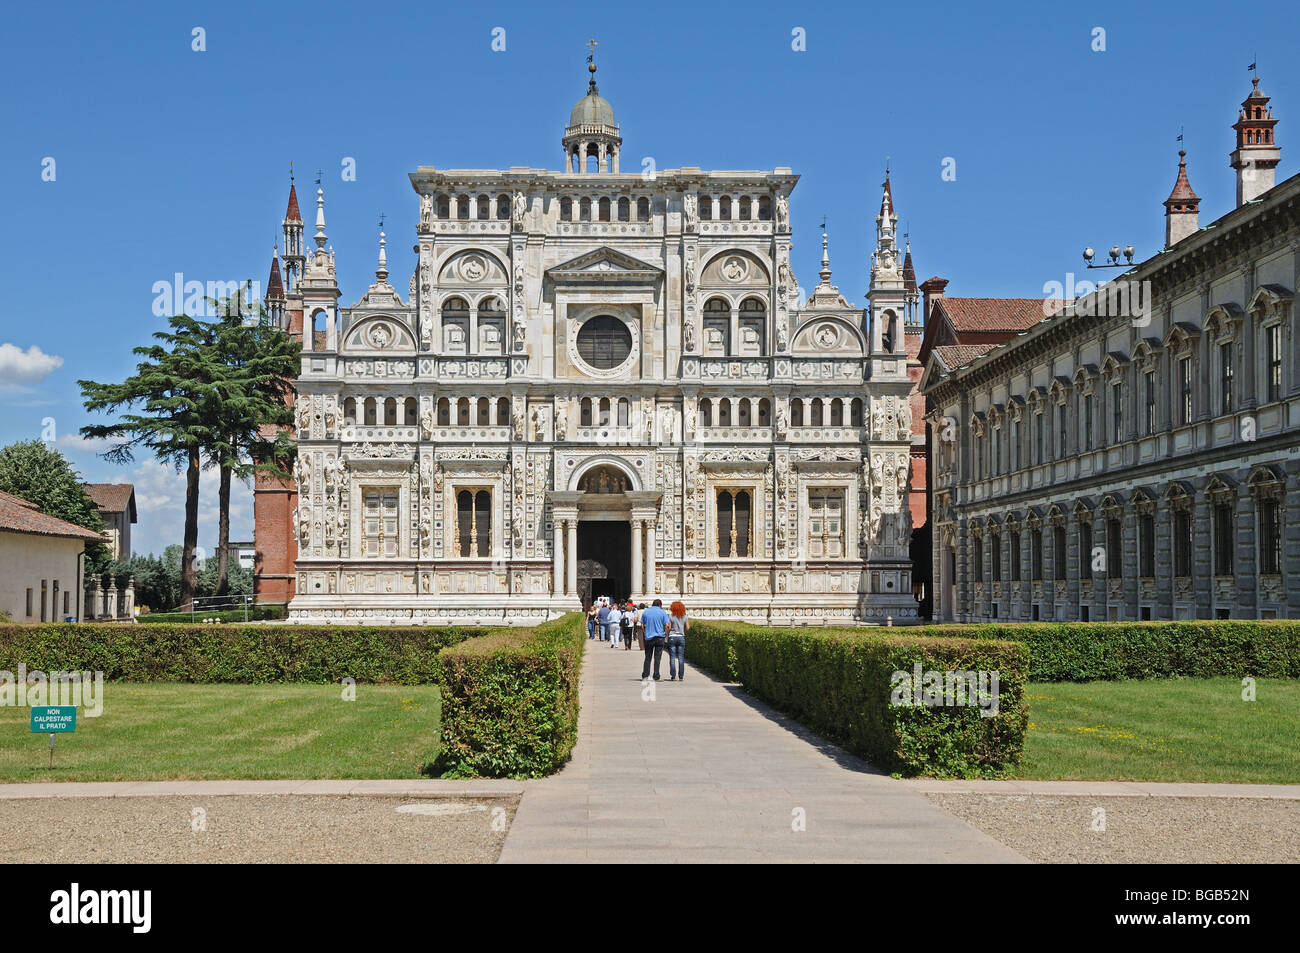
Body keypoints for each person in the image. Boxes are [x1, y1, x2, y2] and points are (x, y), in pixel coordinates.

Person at [640, 598, 670, 681]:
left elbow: (642, 625)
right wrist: (665, 634)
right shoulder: (662, 612)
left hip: (649, 637)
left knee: (647, 657)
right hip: (659, 637)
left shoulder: (646, 612)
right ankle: (656, 676)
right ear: (660, 605)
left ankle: (645, 676)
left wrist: (645, 633)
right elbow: (667, 625)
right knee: (657, 658)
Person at [666, 600, 689, 681]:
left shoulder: (671, 616)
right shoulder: (685, 616)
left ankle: (673, 676)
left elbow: (668, 627)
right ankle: (681, 676)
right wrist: (681, 629)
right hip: (681, 637)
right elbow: (688, 627)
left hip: (672, 637)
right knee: (681, 658)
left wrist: (667, 634)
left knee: (672, 657)